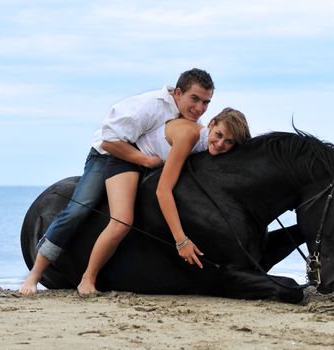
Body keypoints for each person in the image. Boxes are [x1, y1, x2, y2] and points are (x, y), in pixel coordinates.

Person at [19, 68, 215, 295]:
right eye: (195, 99)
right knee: (79, 208)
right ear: (178, 93)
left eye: (206, 102)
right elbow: (110, 141)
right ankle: (34, 275)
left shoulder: (189, 117)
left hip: (140, 161)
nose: (200, 108)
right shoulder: (150, 106)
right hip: (108, 156)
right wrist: (144, 160)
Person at [77, 108, 251, 295]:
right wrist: (181, 240)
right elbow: (163, 191)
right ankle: (87, 279)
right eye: (219, 135)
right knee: (122, 221)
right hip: (130, 160)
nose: (220, 143)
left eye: (229, 142)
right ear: (211, 124)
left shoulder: (208, 147)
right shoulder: (189, 136)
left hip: (152, 167)